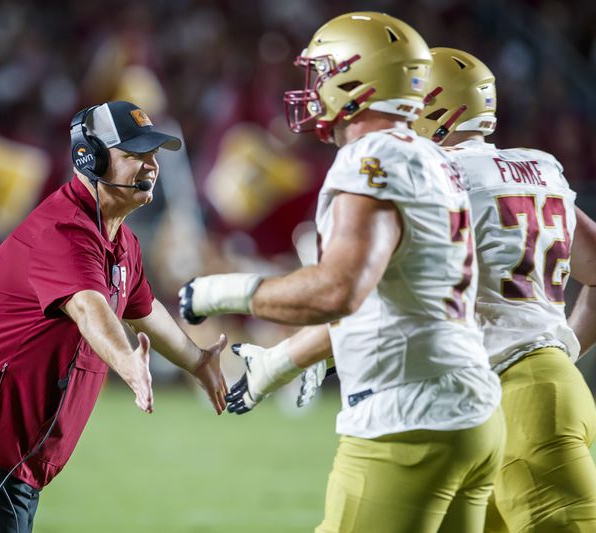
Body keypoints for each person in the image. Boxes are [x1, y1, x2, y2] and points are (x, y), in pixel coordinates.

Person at [179, 12, 505, 533]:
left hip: (407, 415)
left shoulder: (372, 157)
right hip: (473, 411)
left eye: (323, 70)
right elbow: (385, 298)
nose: (313, 86)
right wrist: (280, 363)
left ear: (356, 80)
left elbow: (339, 290)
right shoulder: (434, 157)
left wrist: (219, 292)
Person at [0, 100, 228, 533]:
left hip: (16, 444)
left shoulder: (121, 239)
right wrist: (128, 363)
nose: (151, 166)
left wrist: (196, 361)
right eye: (135, 155)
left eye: (153, 155)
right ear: (90, 157)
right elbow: (88, 306)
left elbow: (143, 310)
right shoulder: (64, 231)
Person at [412, 47, 596, 532]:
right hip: (520, 395)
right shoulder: (540, 169)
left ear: (431, 108)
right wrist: (563, 348)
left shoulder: (440, 179)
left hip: (520, 399)